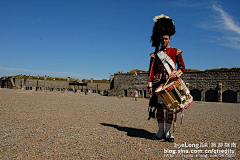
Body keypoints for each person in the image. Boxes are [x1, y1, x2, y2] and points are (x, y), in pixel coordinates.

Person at [148, 14, 185, 142]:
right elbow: (151, 71)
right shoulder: (156, 55)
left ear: (169, 39)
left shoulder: (176, 52)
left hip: (170, 83)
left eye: (166, 39)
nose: (164, 41)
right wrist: (149, 85)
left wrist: (176, 74)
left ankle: (168, 132)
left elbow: (182, 68)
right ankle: (160, 131)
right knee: (159, 109)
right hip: (158, 84)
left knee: (170, 108)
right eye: (162, 39)